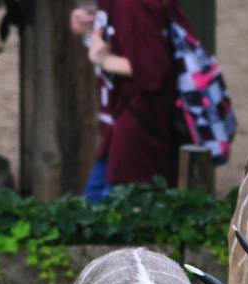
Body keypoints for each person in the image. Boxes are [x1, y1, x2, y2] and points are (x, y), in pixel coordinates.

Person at [71, 1, 195, 201]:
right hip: (122, 129)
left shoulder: (130, 5)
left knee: (105, 214)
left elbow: (154, 71)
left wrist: (103, 60)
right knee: (94, 207)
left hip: (138, 133)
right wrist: (90, 26)